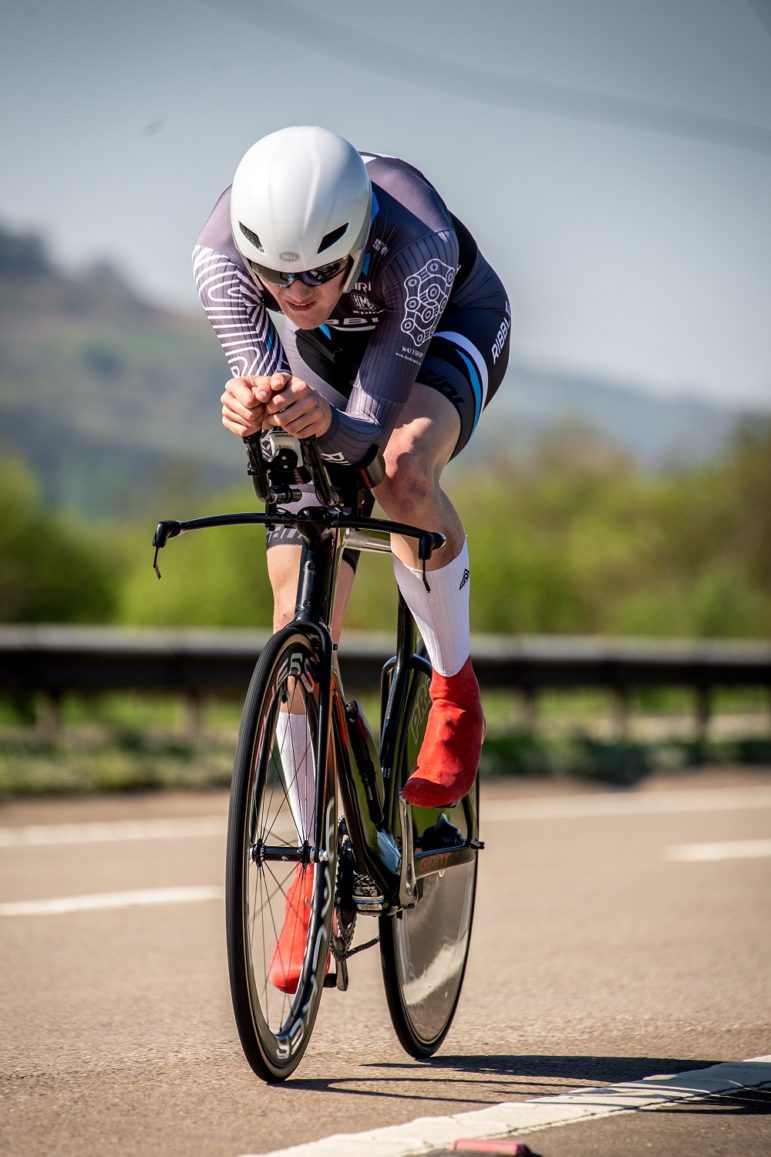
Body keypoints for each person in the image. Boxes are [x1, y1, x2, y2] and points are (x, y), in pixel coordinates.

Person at [194, 123, 509, 846]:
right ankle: (310, 855)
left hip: (442, 329)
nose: (293, 292)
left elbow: (360, 435)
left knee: (399, 469)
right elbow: (273, 395)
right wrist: (252, 405)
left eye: (315, 273)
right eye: (274, 275)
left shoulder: (418, 243)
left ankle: (454, 691)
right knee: (293, 614)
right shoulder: (218, 256)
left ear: (359, 240)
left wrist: (320, 424)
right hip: (329, 355)